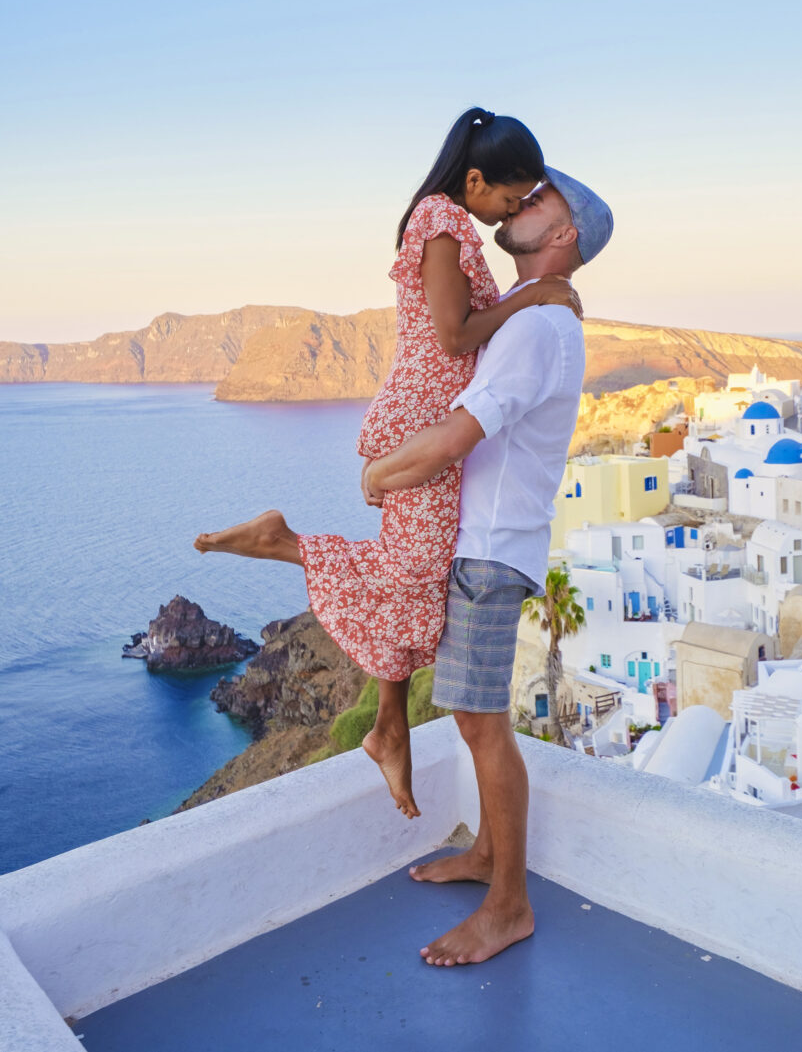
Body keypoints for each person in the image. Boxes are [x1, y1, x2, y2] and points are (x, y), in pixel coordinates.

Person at [193, 109, 581, 819]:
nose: (512, 210)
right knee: (413, 579)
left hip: (429, 423)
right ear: (475, 180)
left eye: (525, 202)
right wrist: (535, 294)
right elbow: (453, 332)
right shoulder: (440, 220)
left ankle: (387, 726)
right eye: (510, 196)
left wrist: (530, 296)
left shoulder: (450, 224)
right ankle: (289, 551)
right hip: (422, 428)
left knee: (414, 581)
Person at [363, 167, 612, 967]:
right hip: (487, 541)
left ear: (564, 233)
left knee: (480, 723)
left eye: (539, 200)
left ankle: (509, 906)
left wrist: (379, 475)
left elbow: (459, 435)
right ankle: (485, 861)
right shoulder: (533, 318)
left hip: (491, 547)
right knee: (474, 720)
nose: (523, 202)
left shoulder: (541, 330)